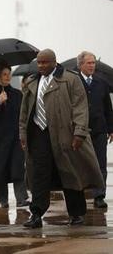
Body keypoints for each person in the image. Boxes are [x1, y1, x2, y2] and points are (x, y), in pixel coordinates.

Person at [20, 49, 104, 228]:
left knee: (70, 173)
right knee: (39, 176)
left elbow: (81, 107)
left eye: (44, 62)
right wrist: (22, 134)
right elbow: (25, 111)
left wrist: (79, 132)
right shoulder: (32, 82)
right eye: (39, 62)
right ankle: (36, 214)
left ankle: (76, 214)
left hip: (65, 135)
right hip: (39, 134)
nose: (41, 66)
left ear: (54, 62)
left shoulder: (70, 79)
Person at [0, 62, 29, 209]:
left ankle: (21, 199)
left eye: (9, 73)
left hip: (15, 137)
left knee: (18, 168)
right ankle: (3, 200)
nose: (8, 76)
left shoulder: (17, 94)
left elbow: (24, 115)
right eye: (4, 74)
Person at [76, 51, 113, 208]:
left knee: (100, 164)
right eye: (89, 63)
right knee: (80, 164)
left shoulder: (101, 83)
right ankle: (80, 194)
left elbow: (108, 108)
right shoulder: (74, 82)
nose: (92, 65)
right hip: (80, 131)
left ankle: (99, 196)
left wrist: (111, 129)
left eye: (93, 63)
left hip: (99, 130)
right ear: (81, 65)